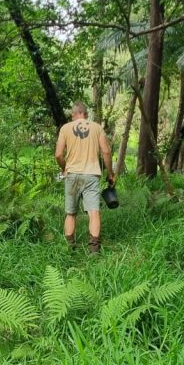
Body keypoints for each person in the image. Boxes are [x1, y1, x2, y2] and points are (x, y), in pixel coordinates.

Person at [55, 101, 115, 253]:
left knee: (71, 213)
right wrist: (110, 173)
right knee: (94, 212)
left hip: (72, 174)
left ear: (73, 114)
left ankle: (69, 248)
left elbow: (58, 154)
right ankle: (94, 250)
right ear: (86, 114)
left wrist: (65, 168)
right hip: (91, 175)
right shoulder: (96, 127)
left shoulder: (65, 128)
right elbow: (106, 152)